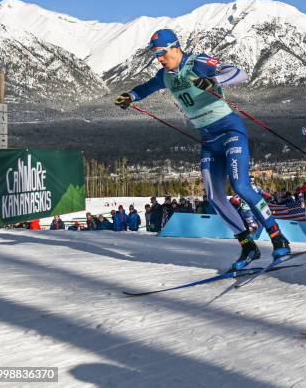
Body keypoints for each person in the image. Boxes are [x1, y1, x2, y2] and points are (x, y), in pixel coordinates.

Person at [115, 28, 290, 270]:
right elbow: (147, 87)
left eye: (162, 53)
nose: (159, 58)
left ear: (176, 48)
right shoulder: (164, 75)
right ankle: (247, 246)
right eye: (155, 55)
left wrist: (213, 80)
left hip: (230, 130)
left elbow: (240, 73)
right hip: (208, 139)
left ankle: (277, 235)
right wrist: (130, 96)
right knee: (214, 197)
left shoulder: (197, 62)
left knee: (240, 186)